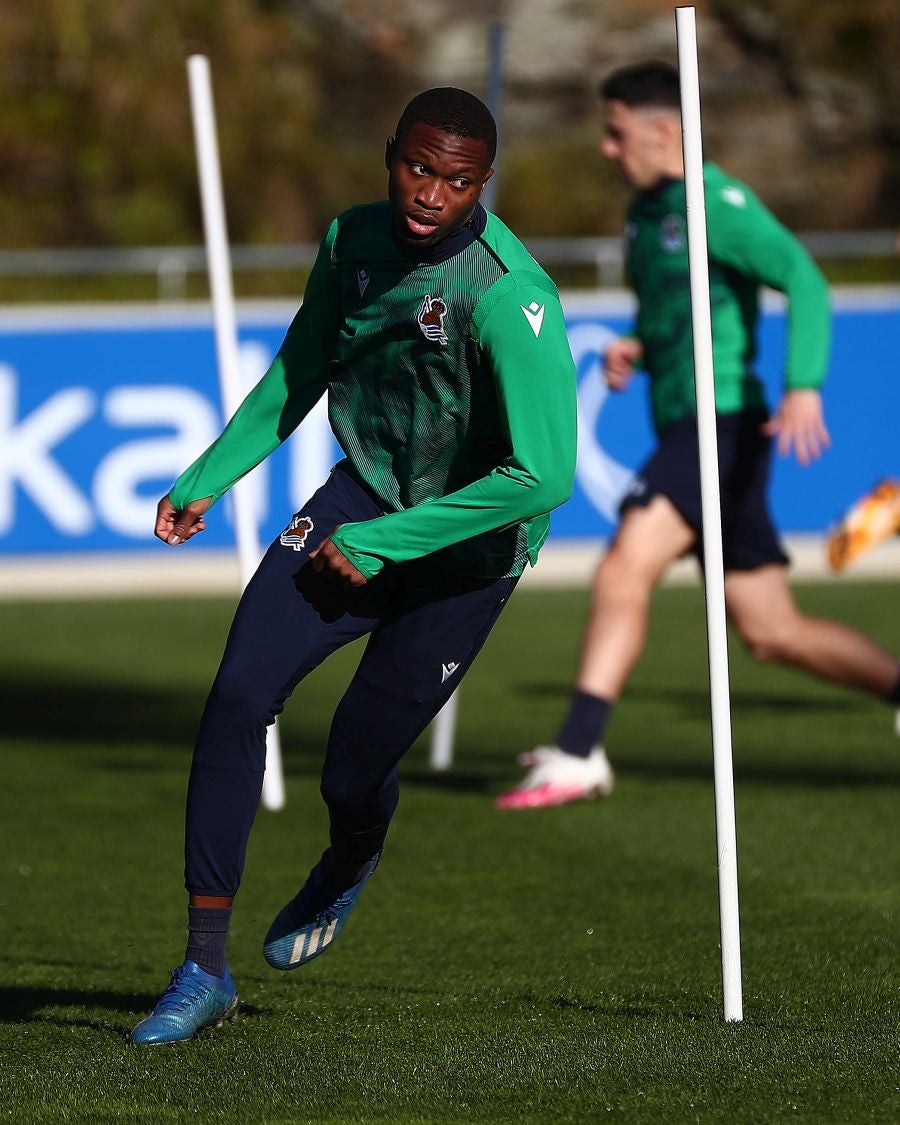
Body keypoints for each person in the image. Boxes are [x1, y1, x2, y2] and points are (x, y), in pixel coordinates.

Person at [130, 87, 577, 1043]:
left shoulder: (509, 296)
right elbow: (300, 367)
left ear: (480, 185)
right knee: (239, 692)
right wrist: (208, 474)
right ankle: (203, 966)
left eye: (457, 181)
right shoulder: (349, 242)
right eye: (418, 168)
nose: (431, 194)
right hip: (362, 499)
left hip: (468, 549)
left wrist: (389, 543)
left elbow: (543, 477)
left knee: (351, 768)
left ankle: (348, 858)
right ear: (391, 156)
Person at [497, 60, 900, 810]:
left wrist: (804, 382)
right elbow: (683, 311)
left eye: (616, 134)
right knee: (772, 630)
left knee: (623, 564)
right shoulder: (645, 216)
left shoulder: (719, 203)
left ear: (664, 131)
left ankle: (579, 751)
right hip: (687, 421)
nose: (605, 150)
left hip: (723, 424)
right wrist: (637, 346)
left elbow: (804, 279)